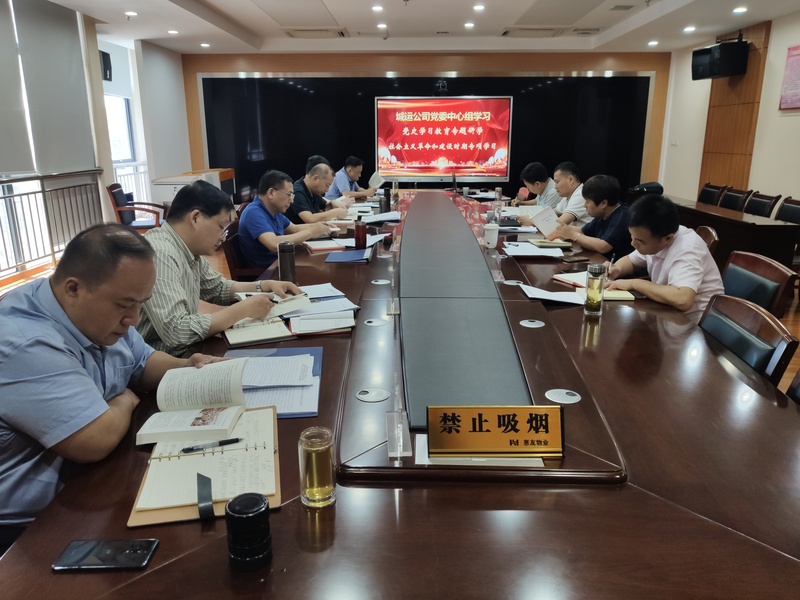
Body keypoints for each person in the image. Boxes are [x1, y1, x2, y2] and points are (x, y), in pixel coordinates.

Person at [0, 224, 222, 551]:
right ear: (73, 289)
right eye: (124, 305)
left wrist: (186, 366)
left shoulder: (97, 313)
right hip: (28, 529)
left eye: (141, 304)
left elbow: (143, 360)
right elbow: (94, 439)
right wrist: (125, 400)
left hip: (95, 481)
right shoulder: (26, 341)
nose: (133, 319)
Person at [137, 180, 301, 356]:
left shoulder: (188, 250)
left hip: (186, 351)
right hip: (158, 362)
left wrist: (264, 285)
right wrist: (243, 309)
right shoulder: (161, 254)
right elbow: (178, 331)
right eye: (221, 227)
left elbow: (218, 288)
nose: (223, 238)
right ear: (195, 218)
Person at [606, 194, 724, 323]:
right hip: (667, 314)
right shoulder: (654, 236)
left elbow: (683, 299)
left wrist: (634, 283)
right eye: (632, 237)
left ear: (668, 239)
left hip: (695, 324)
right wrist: (616, 268)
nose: (633, 244)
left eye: (639, 241)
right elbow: (632, 261)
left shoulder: (688, 248)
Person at [238, 170, 334, 267]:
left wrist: (322, 227)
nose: (291, 201)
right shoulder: (253, 212)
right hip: (269, 270)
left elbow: (294, 228)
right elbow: (274, 244)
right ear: (271, 193)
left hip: (283, 262)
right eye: (289, 194)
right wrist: (311, 232)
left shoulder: (274, 210)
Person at [554, 174, 633, 260]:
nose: (584, 205)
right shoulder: (602, 214)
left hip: (616, 265)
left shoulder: (622, 217)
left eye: (587, 202)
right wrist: (563, 229)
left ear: (603, 203)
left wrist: (573, 235)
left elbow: (603, 246)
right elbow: (583, 231)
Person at [286, 162, 351, 225]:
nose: (327, 190)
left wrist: (333, 202)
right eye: (327, 185)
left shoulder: (314, 190)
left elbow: (326, 204)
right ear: (315, 178)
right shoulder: (297, 191)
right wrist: (336, 212)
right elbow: (309, 219)